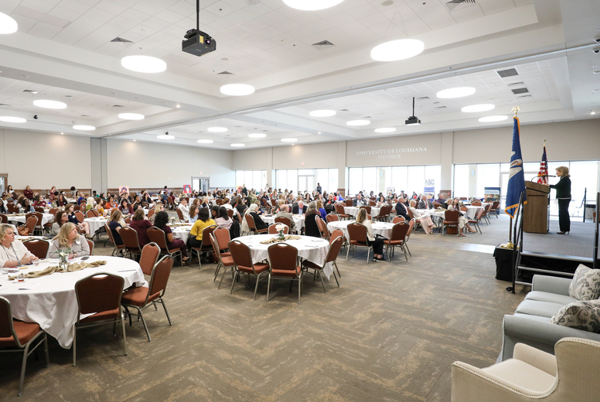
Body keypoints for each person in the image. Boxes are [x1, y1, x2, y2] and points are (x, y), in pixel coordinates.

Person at [549, 166, 572, 235]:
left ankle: (564, 229)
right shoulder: (564, 179)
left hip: (564, 198)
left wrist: (548, 185)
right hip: (564, 198)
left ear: (562, 172)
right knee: (564, 213)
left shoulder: (565, 179)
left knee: (563, 214)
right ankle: (565, 229)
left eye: (557, 171)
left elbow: (557, 186)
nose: (556, 173)